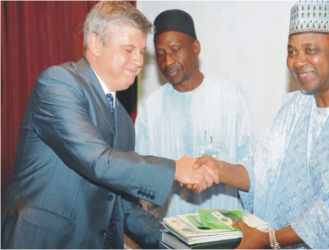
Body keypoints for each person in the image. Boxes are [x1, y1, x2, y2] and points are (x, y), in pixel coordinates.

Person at [192, 0, 329, 248]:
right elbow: (262, 172)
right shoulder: (294, 107)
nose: (298, 61)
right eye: (292, 51)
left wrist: (269, 240)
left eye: (310, 50)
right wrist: (217, 170)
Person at [0, 2, 218, 249]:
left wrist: (183, 243)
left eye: (141, 51)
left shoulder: (124, 121)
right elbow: (97, 161)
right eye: (128, 49)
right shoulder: (58, 84)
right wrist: (175, 169)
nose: (138, 61)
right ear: (94, 43)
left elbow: (123, 208)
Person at [134, 9, 254, 221]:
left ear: (195, 48)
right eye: (160, 54)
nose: (168, 61)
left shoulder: (229, 97)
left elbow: (249, 169)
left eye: (175, 49)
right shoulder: (151, 108)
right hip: (170, 234)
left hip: (224, 231)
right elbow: (142, 178)